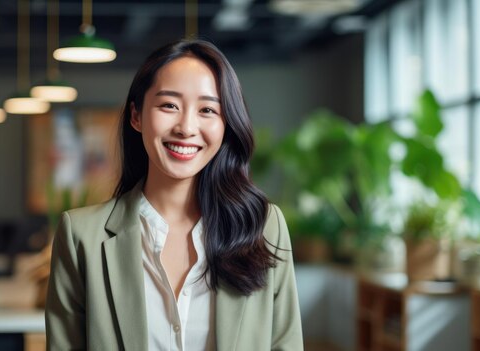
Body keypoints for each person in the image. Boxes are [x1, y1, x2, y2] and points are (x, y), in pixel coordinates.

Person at [45, 39, 304, 350]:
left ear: (226, 125)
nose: (186, 127)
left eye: (208, 109)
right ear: (136, 116)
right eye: (169, 105)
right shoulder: (81, 236)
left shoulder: (264, 227)